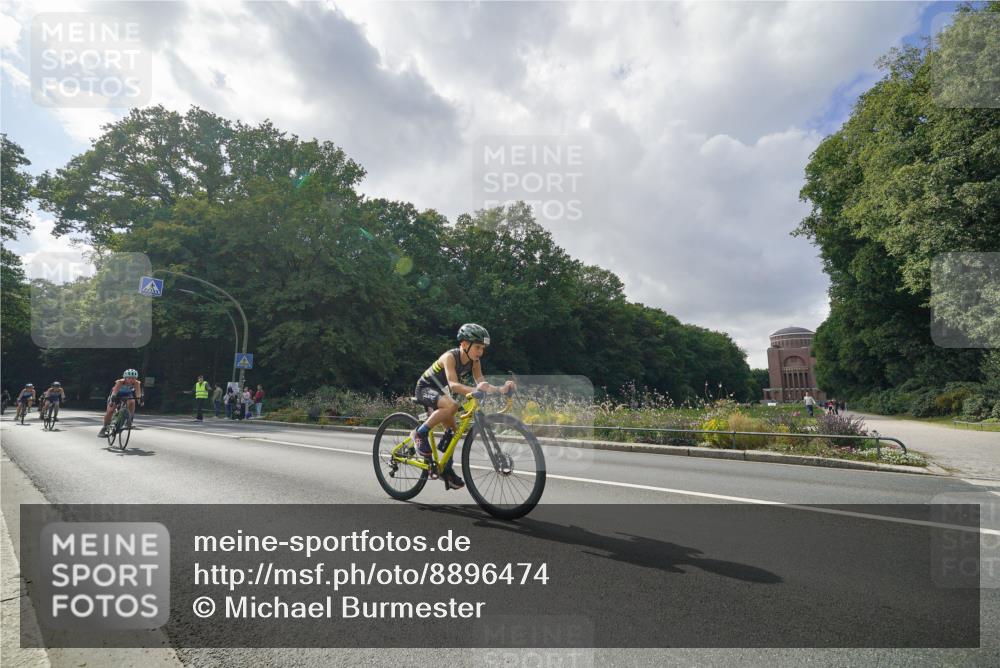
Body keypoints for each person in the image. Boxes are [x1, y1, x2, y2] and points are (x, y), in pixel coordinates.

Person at [411, 323, 515, 490]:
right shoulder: (450, 357)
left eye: (482, 348)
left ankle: (446, 469)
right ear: (465, 344)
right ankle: (419, 433)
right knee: (452, 406)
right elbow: (453, 384)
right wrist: (475, 390)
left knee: (453, 431)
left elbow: (482, 383)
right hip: (425, 388)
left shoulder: (475, 362)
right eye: (477, 347)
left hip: (441, 392)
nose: (480, 352)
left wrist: (502, 390)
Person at [99, 370, 143, 436]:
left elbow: (138, 394)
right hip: (116, 395)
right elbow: (114, 392)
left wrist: (140, 401)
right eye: (129, 378)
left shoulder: (136, 383)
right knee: (110, 411)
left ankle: (129, 419)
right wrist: (112, 400)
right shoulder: (120, 382)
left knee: (132, 401)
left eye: (133, 378)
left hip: (127, 395)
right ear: (125, 378)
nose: (131, 380)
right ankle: (104, 428)